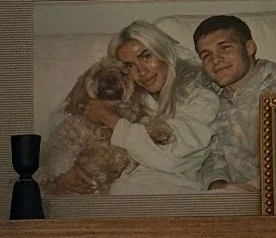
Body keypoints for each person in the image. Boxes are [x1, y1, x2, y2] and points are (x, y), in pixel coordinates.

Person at [50, 20, 219, 196]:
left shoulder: (202, 99)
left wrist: (107, 118)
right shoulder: (128, 97)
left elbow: (171, 157)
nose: (141, 71)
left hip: (167, 192)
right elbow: (61, 122)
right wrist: (61, 170)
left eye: (146, 56)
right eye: (129, 66)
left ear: (164, 52)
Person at [193, 14, 276, 192]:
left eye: (225, 48)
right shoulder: (209, 100)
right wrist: (218, 184)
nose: (215, 60)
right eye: (206, 55)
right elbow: (211, 155)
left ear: (249, 47)